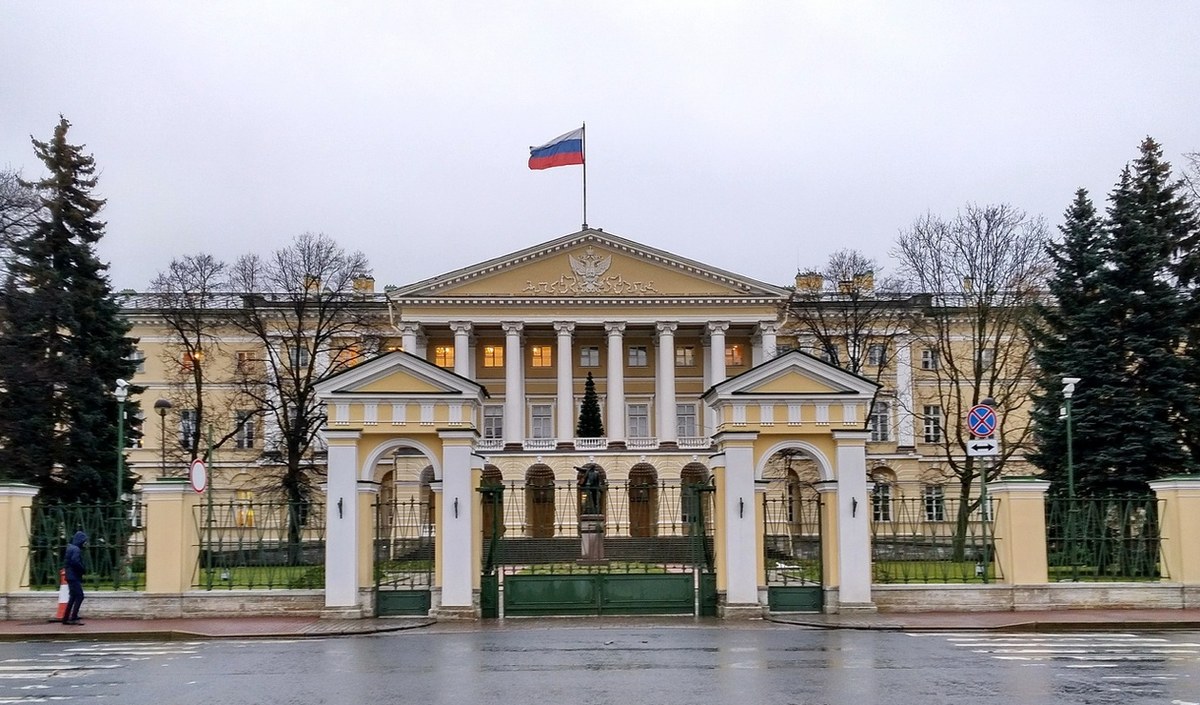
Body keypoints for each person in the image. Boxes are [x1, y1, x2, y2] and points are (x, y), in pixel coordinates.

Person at [62, 531, 87, 625]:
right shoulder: (76, 549)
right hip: (73, 576)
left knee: (73, 596)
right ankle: (73, 617)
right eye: (84, 541)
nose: (85, 543)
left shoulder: (70, 548)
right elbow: (75, 562)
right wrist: (82, 569)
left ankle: (65, 618)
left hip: (69, 575)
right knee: (80, 596)